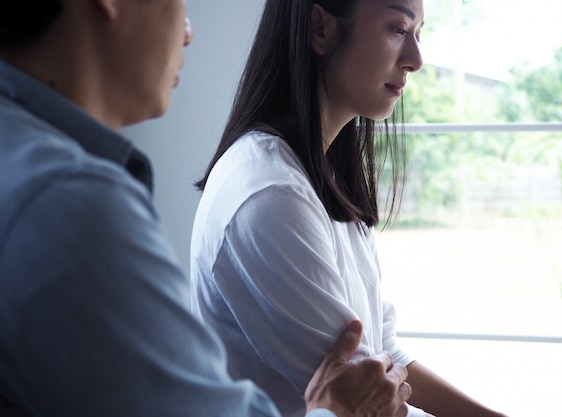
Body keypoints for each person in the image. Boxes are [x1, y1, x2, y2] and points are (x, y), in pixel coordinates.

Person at [0, 1, 413, 416]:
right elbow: (365, 387)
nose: (188, 32)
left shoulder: (32, 168)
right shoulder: (72, 204)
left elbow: (383, 362)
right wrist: (335, 411)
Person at [190, 0, 509, 417]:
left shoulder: (322, 177)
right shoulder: (270, 195)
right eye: (398, 29)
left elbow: (385, 356)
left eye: (420, 33)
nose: (416, 59)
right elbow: (372, 398)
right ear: (320, 28)